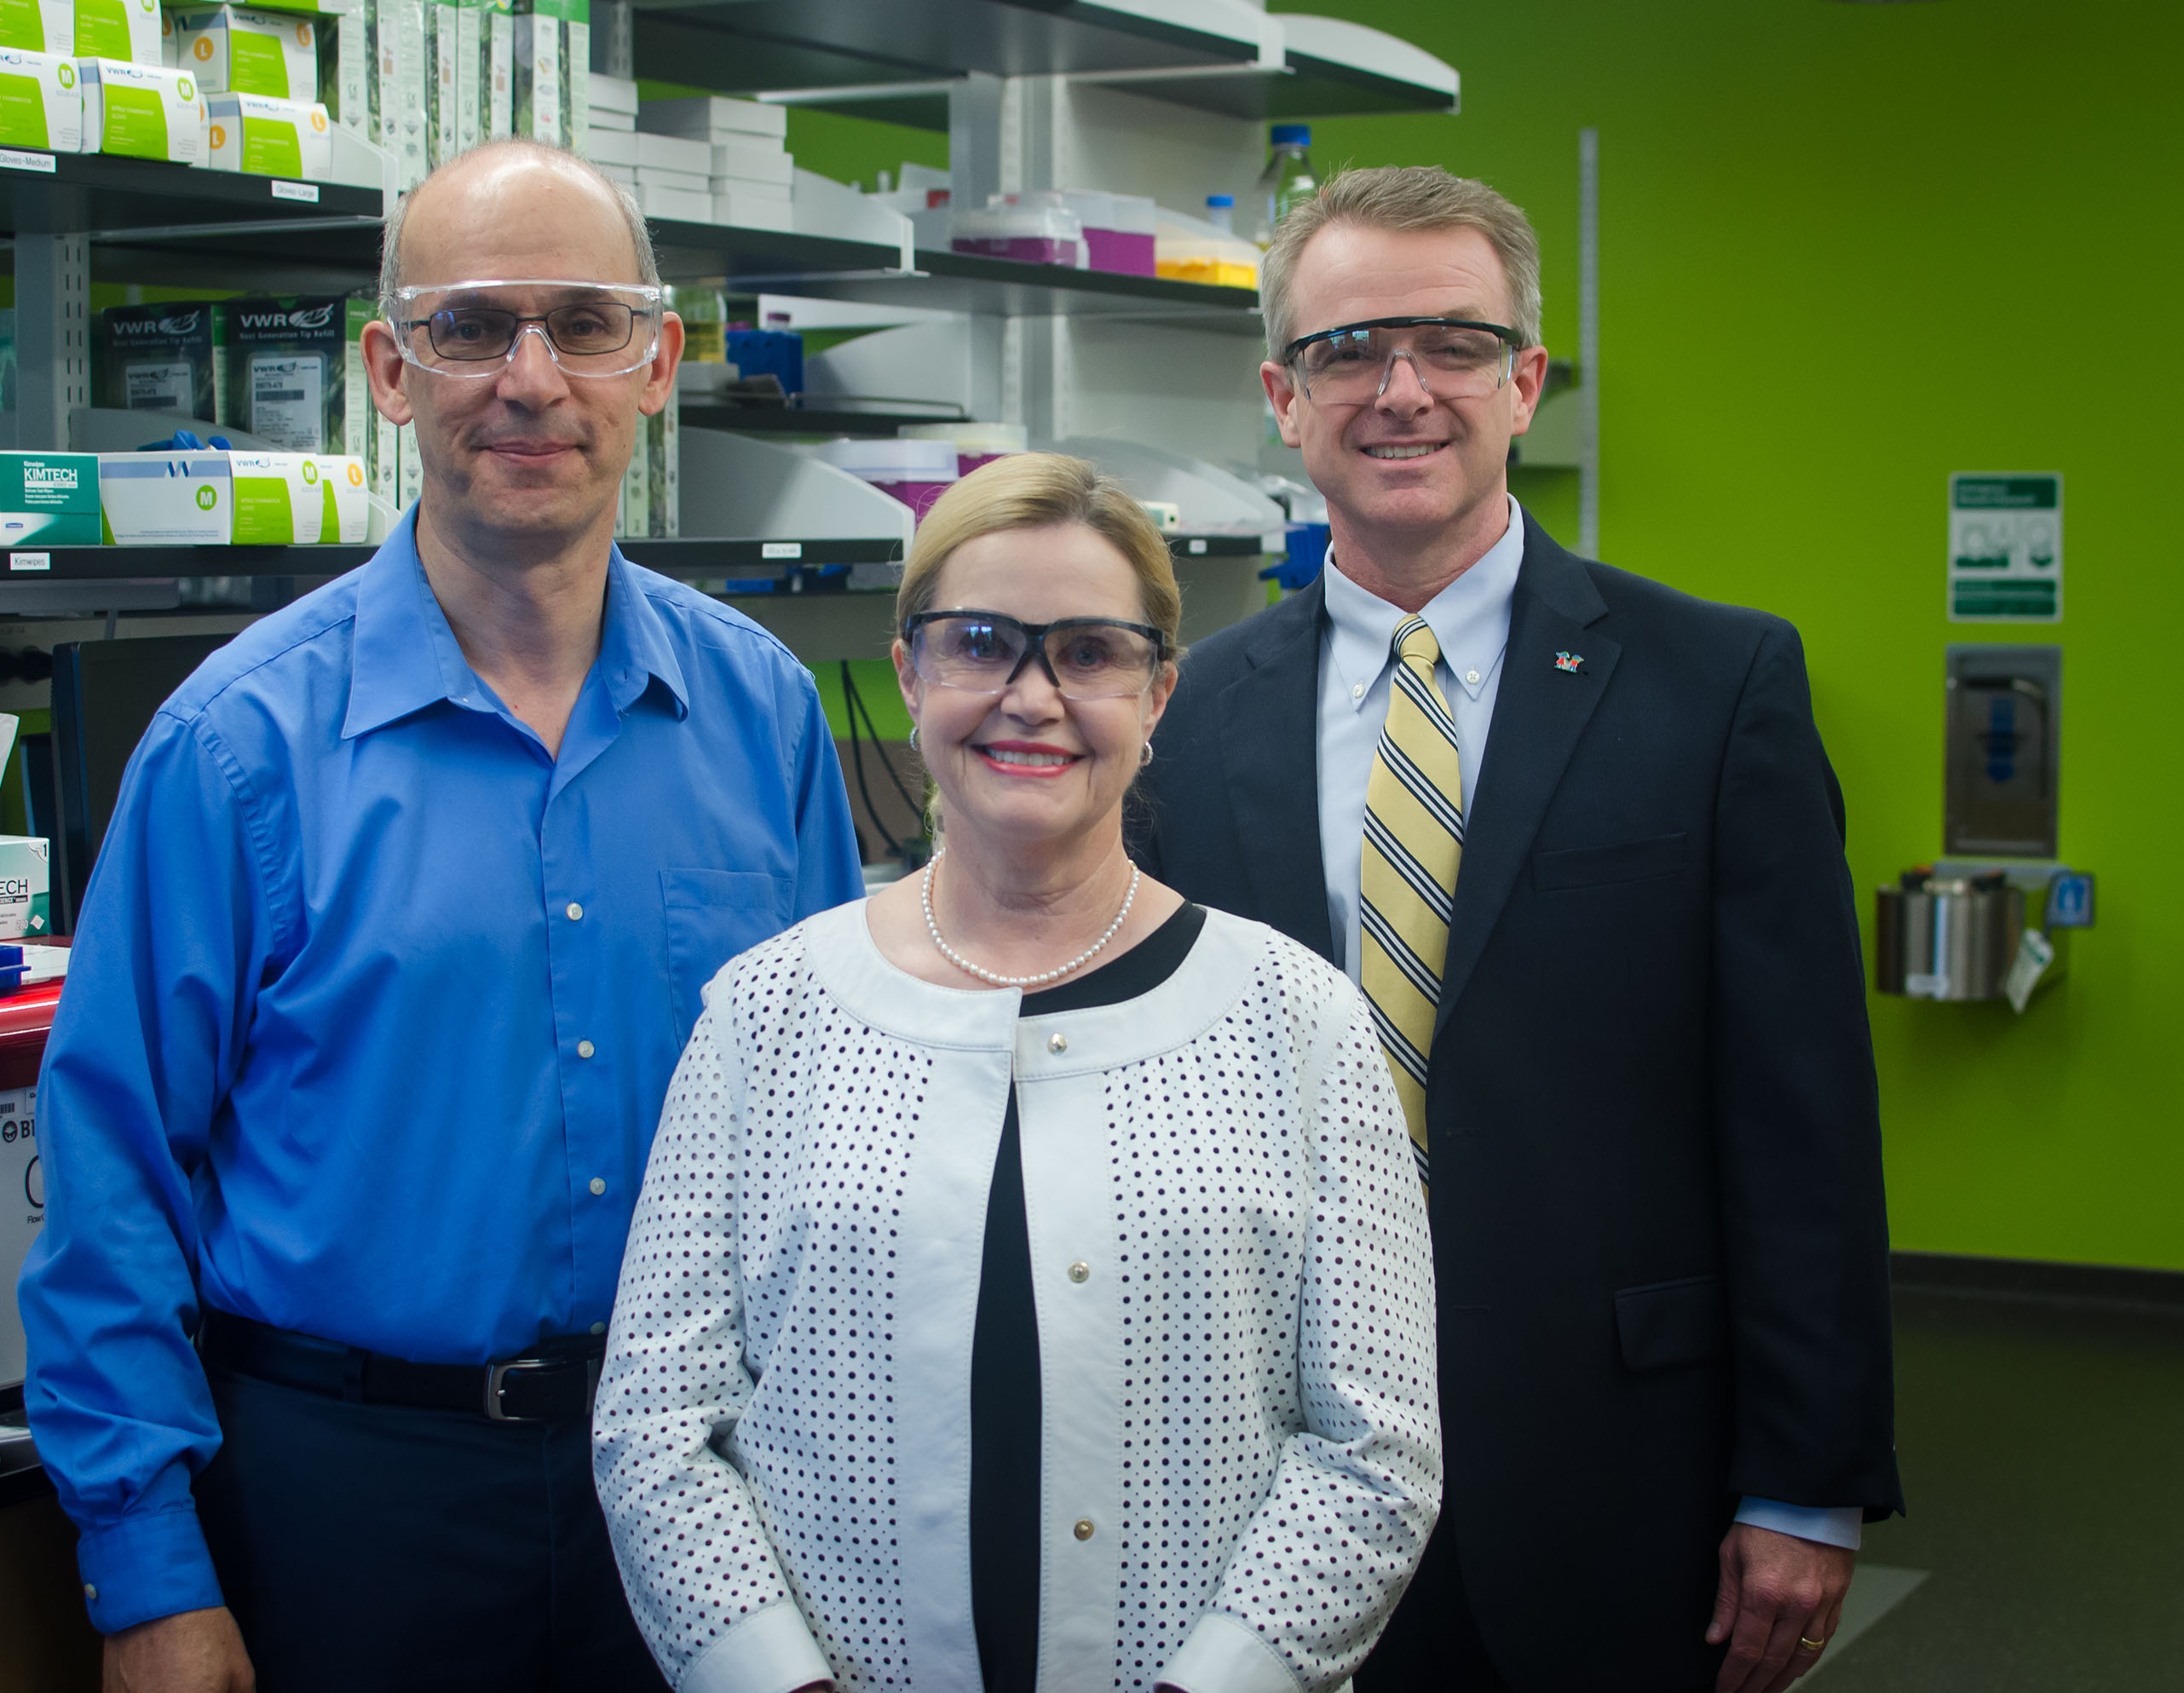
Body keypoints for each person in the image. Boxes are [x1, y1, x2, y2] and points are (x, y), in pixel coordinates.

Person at [18, 140, 866, 1693]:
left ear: (658, 361)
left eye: (584, 324)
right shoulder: (236, 748)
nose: (530, 378)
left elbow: (830, 1130)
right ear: (390, 370)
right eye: (472, 326)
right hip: (348, 1498)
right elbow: (114, 1177)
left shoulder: (763, 715)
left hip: (704, 1493)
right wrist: (145, 1572)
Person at [1132, 165, 1902, 1693]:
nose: (1402, 390)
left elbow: (1801, 1113)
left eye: (1455, 345)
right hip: (1259, 1466)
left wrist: (1804, 1478)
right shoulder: (1189, 711)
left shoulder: (1717, 685)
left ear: (1526, 381)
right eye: (1350, 350)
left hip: (1619, 1466)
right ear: (1283, 396)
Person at [592, 452, 1441, 1693]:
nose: (1032, 696)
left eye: (1091, 652)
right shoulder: (768, 1010)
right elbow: (657, 1428)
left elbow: (1379, 1447)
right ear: (910, 673)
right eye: (981, 642)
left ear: (1159, 693)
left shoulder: (1295, 1018)